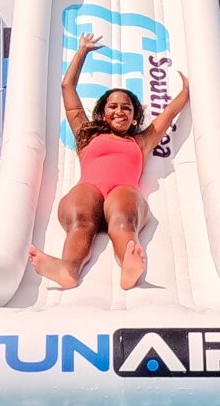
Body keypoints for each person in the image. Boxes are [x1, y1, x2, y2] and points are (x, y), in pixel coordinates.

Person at [29, 32, 192, 292]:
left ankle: (129, 269)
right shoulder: (86, 134)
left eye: (126, 107)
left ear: (135, 117)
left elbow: (170, 113)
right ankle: (68, 270)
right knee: (81, 219)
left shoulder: (142, 141)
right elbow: (67, 87)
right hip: (89, 192)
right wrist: (82, 51)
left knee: (122, 218)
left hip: (122, 194)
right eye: (113, 106)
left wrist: (186, 90)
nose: (119, 111)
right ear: (103, 114)